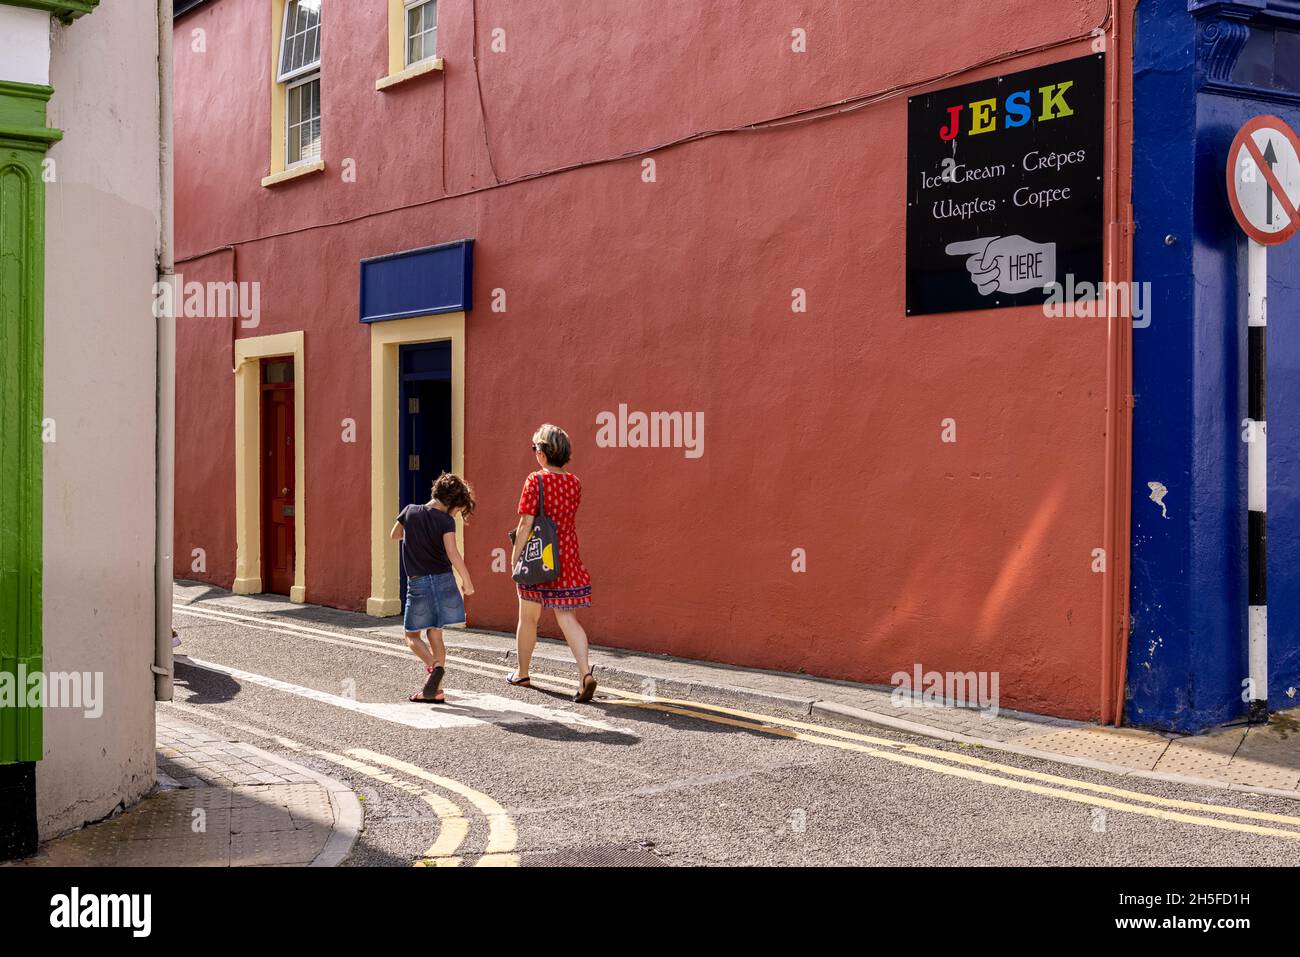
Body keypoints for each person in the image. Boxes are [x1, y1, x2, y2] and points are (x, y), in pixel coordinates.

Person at [507, 424, 597, 703]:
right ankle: (585, 673)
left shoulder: (535, 481)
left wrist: (515, 556)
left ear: (543, 454)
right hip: (566, 556)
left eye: (535, 448)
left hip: (538, 558)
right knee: (567, 618)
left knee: (528, 618)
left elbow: (526, 523)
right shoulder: (575, 483)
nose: (534, 453)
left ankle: (522, 672)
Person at [390, 472, 476, 704]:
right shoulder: (446, 521)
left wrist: (413, 532)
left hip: (419, 582)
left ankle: (433, 665)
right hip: (444, 581)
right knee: (436, 634)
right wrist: (466, 580)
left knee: (411, 636)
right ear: (450, 503)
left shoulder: (410, 511)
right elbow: (452, 553)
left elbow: (394, 535)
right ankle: (437, 690)